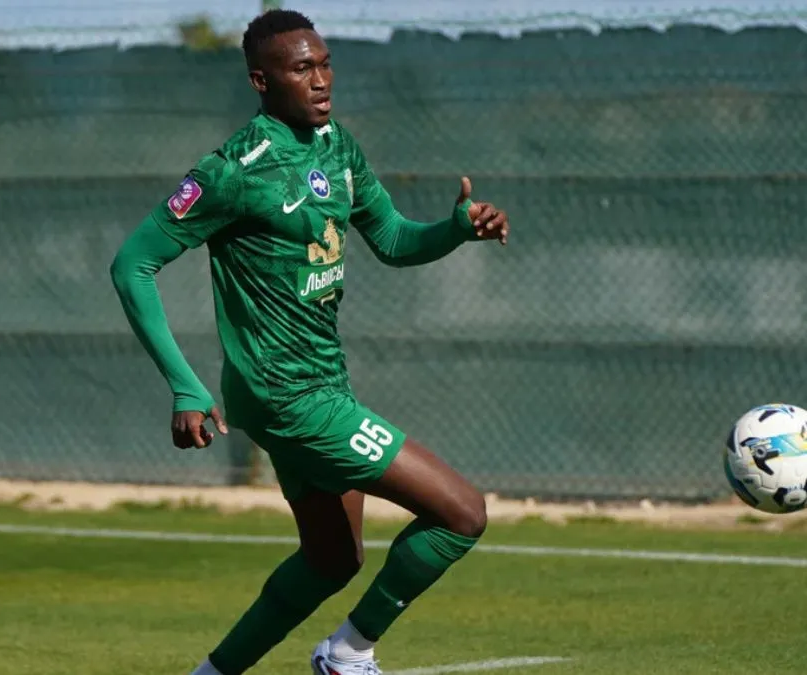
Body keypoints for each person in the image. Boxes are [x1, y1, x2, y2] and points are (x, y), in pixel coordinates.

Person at [109, 8, 510, 675]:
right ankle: (348, 653)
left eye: (325, 64)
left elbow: (392, 239)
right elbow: (133, 264)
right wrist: (184, 384)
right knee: (462, 513)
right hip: (287, 393)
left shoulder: (337, 146)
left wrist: (454, 230)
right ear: (261, 81)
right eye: (302, 69)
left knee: (332, 559)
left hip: (321, 381)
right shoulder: (233, 169)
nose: (321, 80)